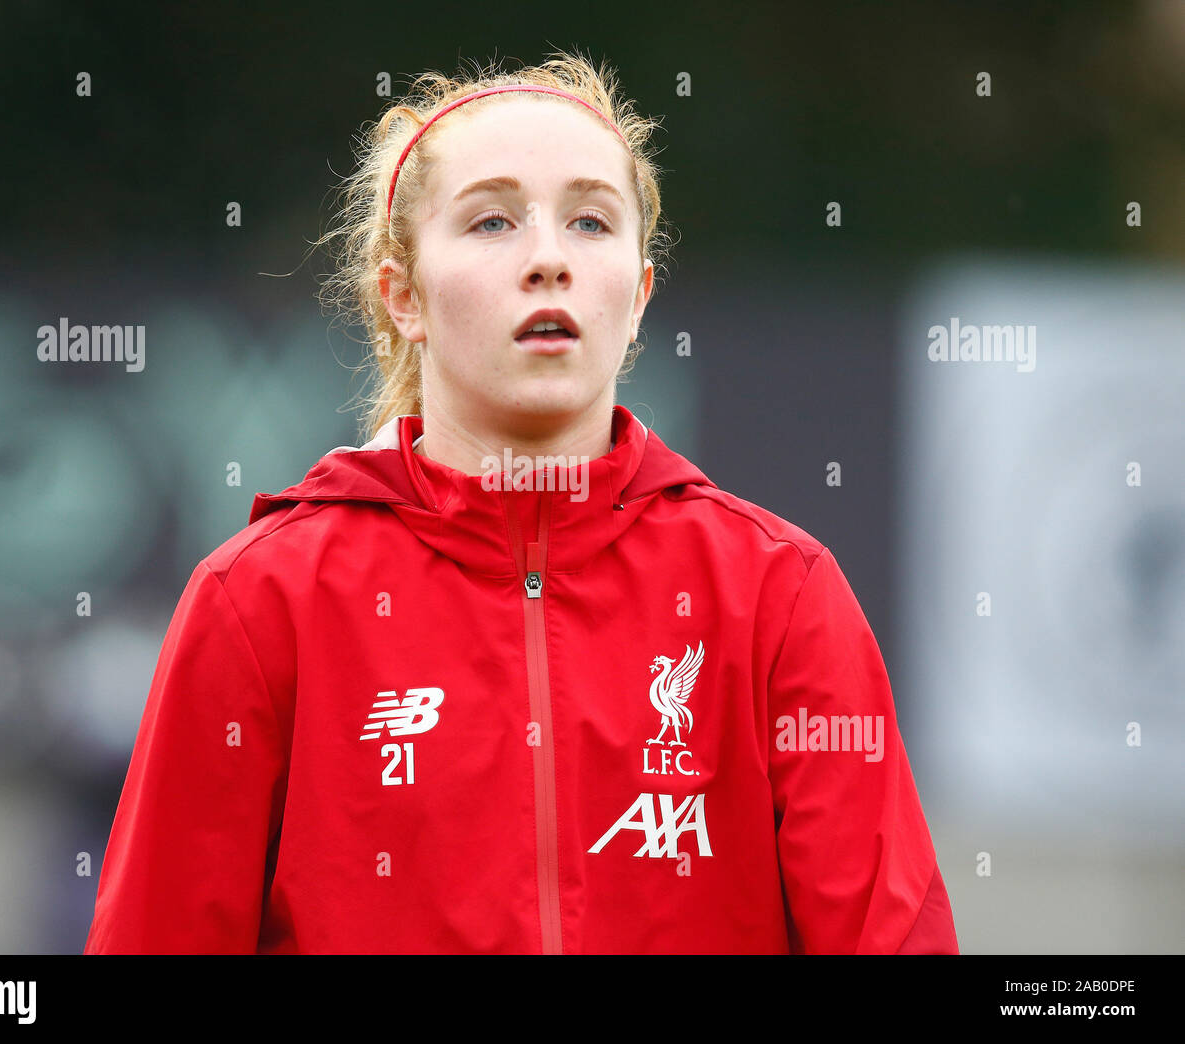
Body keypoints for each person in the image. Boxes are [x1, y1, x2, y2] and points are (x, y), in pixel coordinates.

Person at [83, 52, 957, 955]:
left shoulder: (781, 595)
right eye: (493, 221)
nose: (548, 260)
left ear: (641, 293)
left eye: (590, 221)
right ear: (403, 296)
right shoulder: (259, 600)